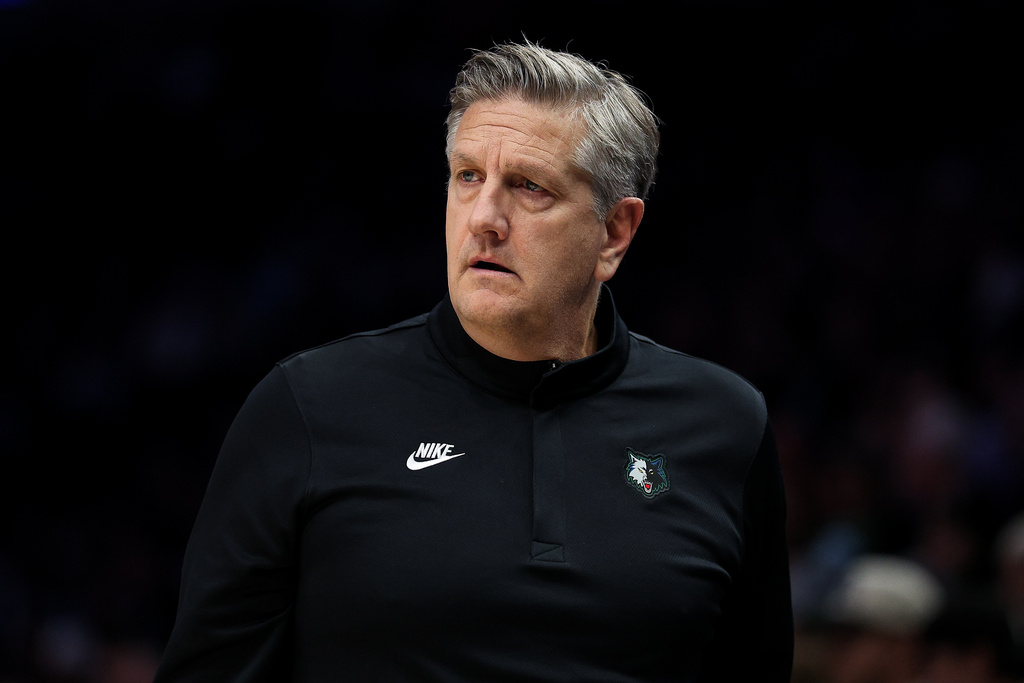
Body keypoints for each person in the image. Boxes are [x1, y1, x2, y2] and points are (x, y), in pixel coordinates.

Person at [154, 41, 793, 682]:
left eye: (529, 187)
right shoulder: (307, 407)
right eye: (467, 177)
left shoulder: (727, 425)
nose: (484, 218)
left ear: (615, 232)